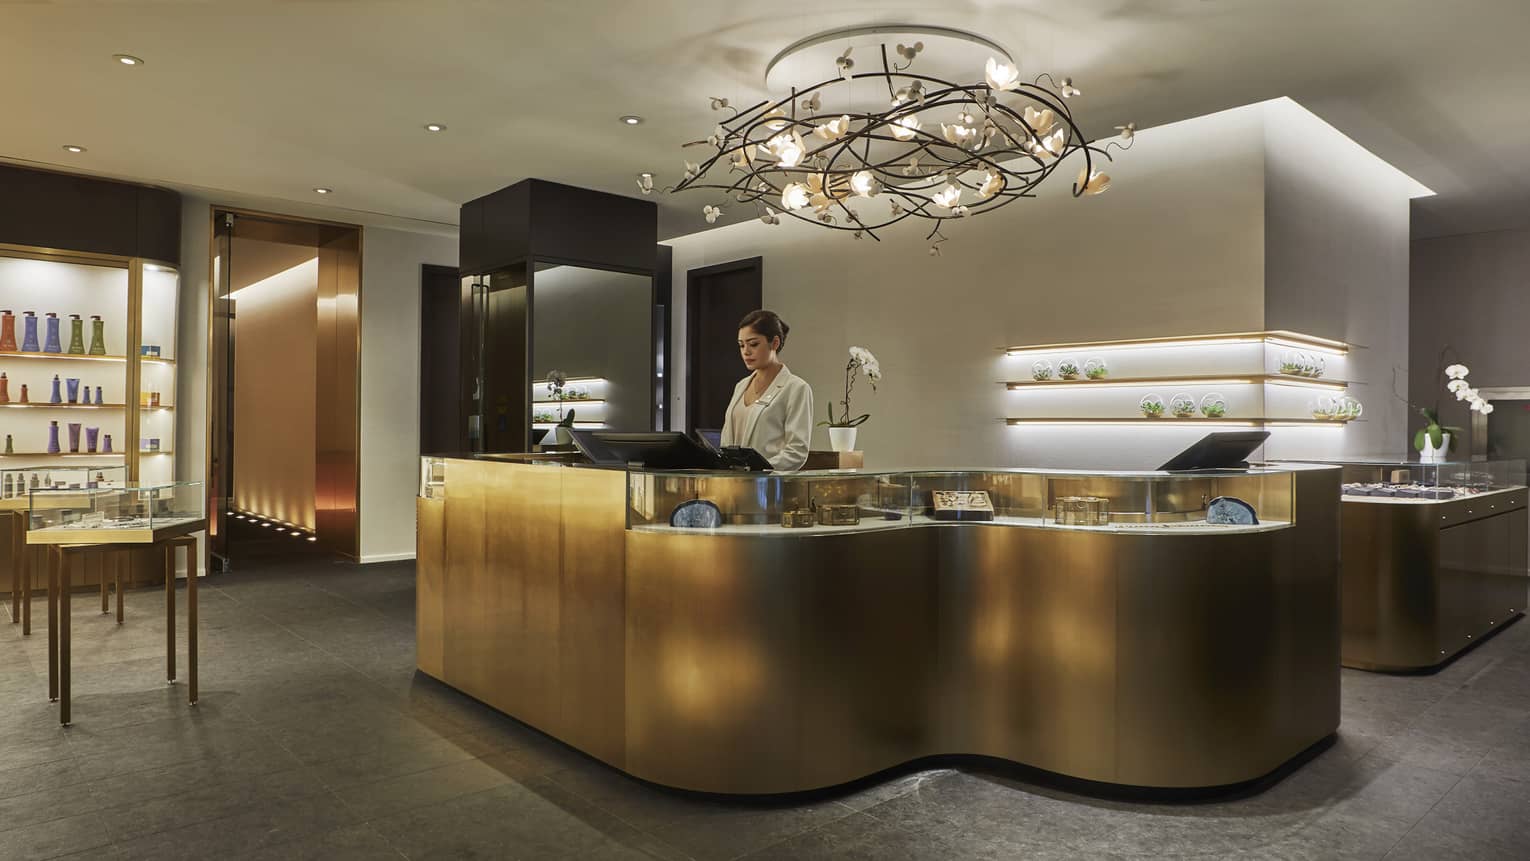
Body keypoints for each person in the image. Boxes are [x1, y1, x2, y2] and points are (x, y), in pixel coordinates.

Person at [720, 310, 813, 471]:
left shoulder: (796, 388)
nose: (746, 352)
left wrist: (758, 469)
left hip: (769, 487)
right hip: (732, 485)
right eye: (741, 345)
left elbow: (797, 451)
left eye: (753, 344)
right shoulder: (741, 386)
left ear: (774, 343)